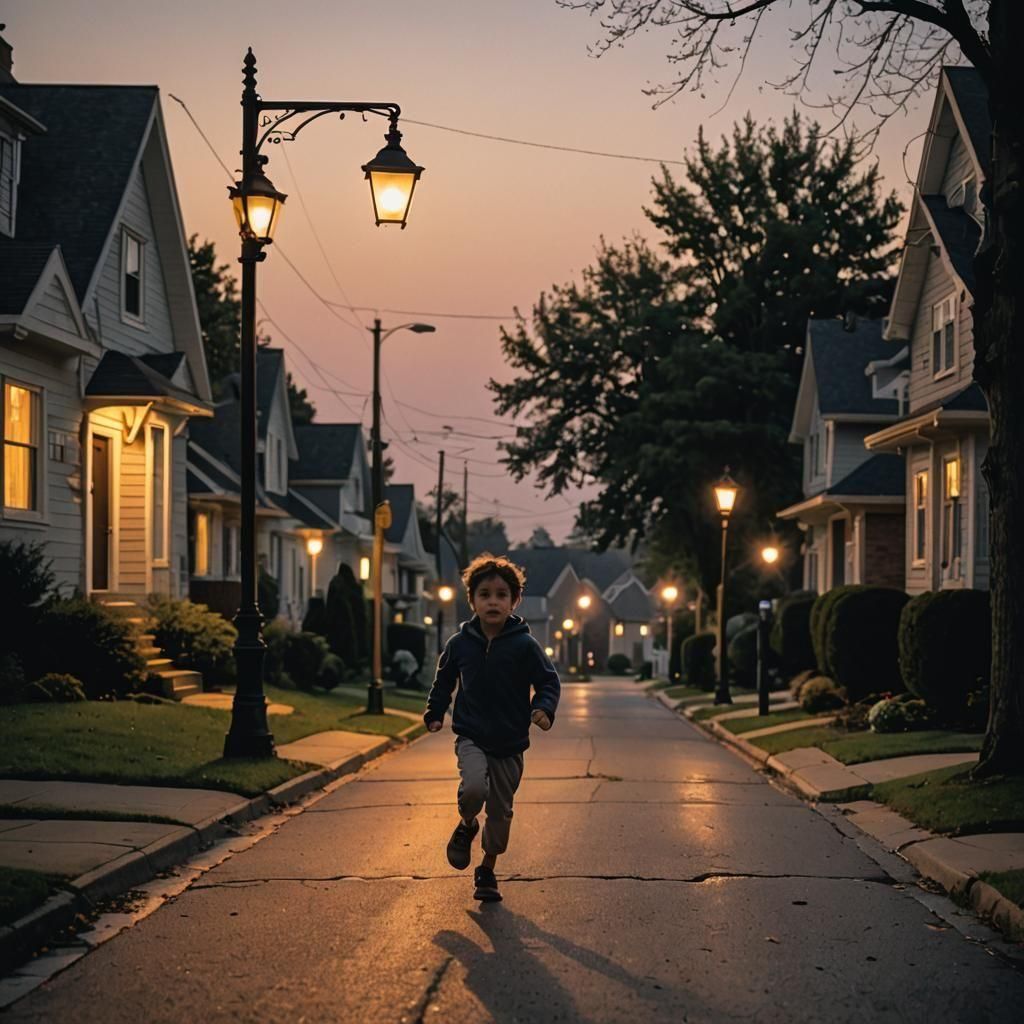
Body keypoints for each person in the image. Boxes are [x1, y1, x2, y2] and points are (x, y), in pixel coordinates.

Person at [423, 553, 560, 903]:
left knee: (501, 813)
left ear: (514, 601)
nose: (493, 601)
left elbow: (547, 682)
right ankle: (467, 824)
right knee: (472, 789)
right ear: (472, 600)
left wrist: (543, 709)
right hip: (471, 735)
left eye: (501, 594)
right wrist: (436, 712)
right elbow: (444, 681)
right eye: (485, 594)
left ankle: (487, 869)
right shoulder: (460, 644)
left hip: (511, 743)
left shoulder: (525, 645)